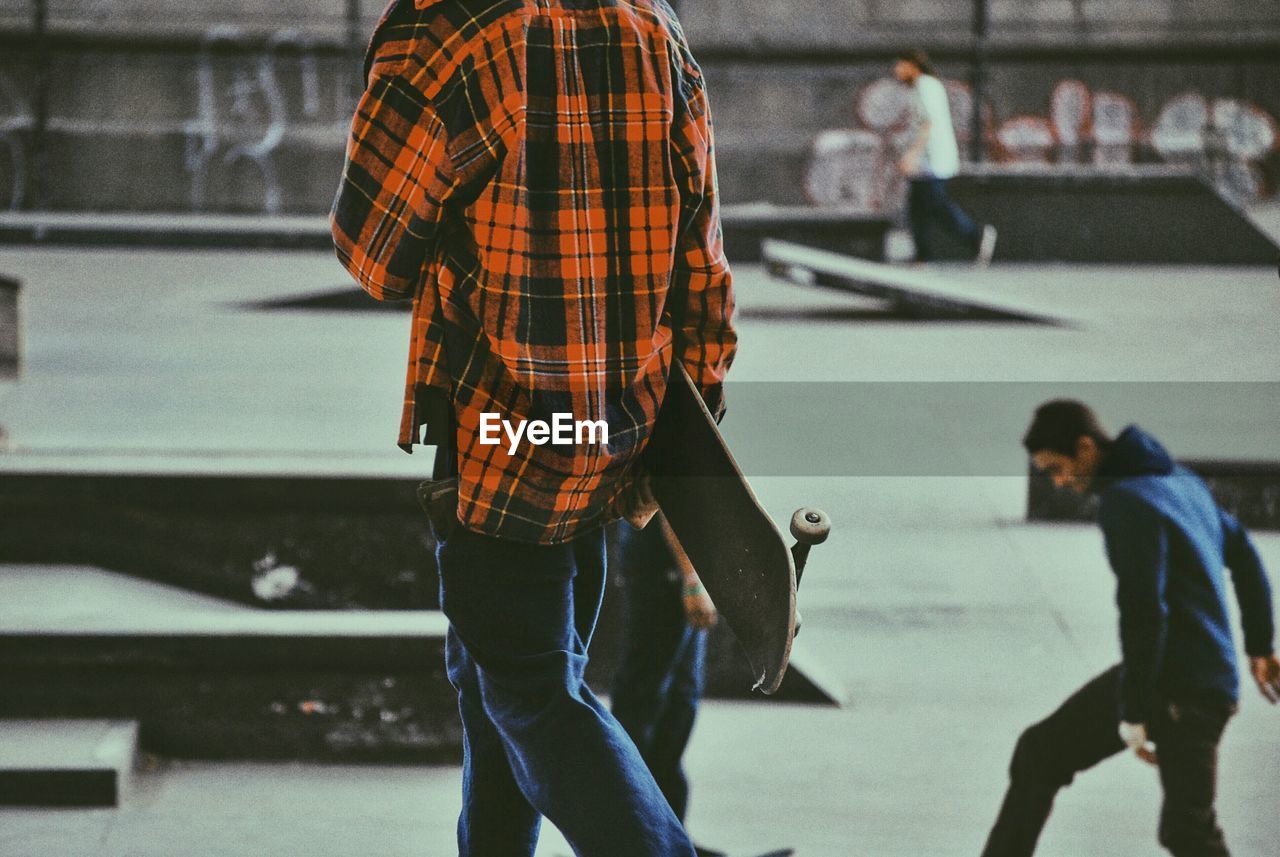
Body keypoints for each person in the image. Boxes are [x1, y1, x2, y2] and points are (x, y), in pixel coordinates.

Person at [330, 0, 737, 852]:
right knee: (493, 686)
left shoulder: (451, 30)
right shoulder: (651, 25)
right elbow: (702, 253)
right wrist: (691, 421)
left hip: (505, 436)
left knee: (532, 692)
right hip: (617, 430)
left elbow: (373, 250)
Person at [981, 400, 1279, 857]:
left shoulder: (1127, 502)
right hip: (1192, 679)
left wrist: (1134, 711)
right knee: (1042, 754)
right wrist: (1260, 645)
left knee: (1187, 831)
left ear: (1085, 448)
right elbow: (1244, 554)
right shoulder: (1179, 480)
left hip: (1182, 691)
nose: (1059, 482)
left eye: (1057, 469)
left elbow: (1143, 610)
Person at [609, 516, 717, 845]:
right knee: (644, 709)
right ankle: (627, 840)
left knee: (678, 707)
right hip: (665, 576)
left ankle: (668, 839)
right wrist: (692, 578)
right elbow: (674, 495)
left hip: (670, 572)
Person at [892, 49, 997, 266]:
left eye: (900, 65)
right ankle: (923, 255)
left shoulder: (925, 86)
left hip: (932, 159)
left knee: (936, 204)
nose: (896, 70)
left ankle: (975, 235)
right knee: (917, 207)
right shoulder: (924, 86)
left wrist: (911, 154)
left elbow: (928, 124)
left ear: (912, 65)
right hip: (927, 160)